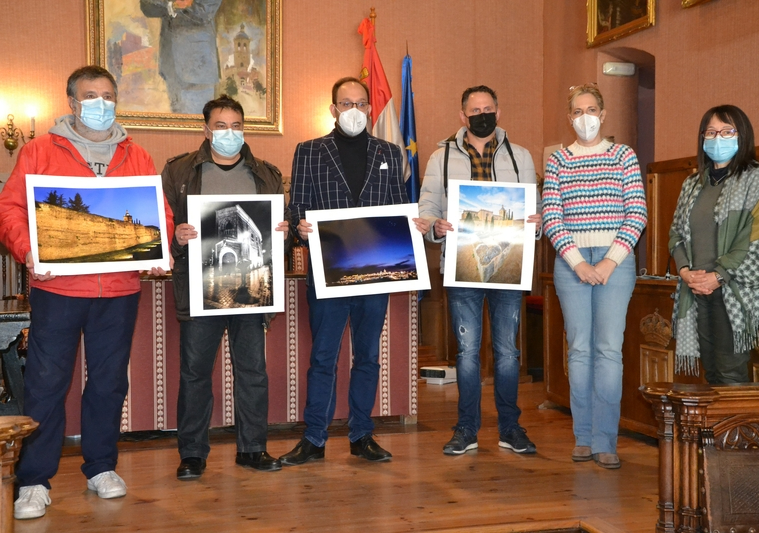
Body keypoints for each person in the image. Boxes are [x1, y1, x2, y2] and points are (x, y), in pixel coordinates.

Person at [0, 65, 174, 520]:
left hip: (118, 290)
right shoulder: (40, 149)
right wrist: (28, 250)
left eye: (109, 95)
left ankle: (101, 467)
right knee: (45, 383)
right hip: (58, 289)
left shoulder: (137, 154)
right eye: (91, 95)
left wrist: (161, 245)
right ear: (73, 103)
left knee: (109, 382)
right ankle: (33, 480)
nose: (101, 103)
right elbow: (11, 209)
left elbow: (160, 213)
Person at [281, 77, 430, 466]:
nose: (354, 110)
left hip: (376, 273)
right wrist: (299, 226)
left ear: (370, 108)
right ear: (333, 109)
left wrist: (411, 226)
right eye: (345, 103)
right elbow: (296, 206)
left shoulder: (389, 152)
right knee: (323, 358)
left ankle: (362, 435)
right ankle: (314, 439)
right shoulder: (309, 151)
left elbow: (397, 207)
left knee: (367, 357)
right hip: (328, 272)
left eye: (360, 103)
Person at [160, 95, 289, 480]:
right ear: (206, 129)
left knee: (253, 372)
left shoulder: (265, 173)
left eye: (236, 126)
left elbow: (278, 232)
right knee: (195, 373)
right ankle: (192, 454)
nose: (229, 133)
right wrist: (175, 236)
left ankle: (253, 448)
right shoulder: (179, 171)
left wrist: (283, 233)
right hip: (199, 289)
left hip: (252, 289)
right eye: (220, 126)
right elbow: (159, 226)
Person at [418, 85, 541, 456]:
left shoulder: (521, 156)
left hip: (510, 270)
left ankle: (510, 428)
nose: (482, 115)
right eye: (475, 110)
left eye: (488, 109)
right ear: (463, 116)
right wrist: (435, 226)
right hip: (459, 268)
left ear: (498, 112)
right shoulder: (440, 157)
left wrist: (536, 223)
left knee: (508, 353)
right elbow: (427, 208)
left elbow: (534, 210)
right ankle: (466, 429)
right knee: (467, 353)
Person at [541, 83, 647, 470]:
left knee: (608, 351)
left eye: (590, 110)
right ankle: (583, 437)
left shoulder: (623, 155)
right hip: (572, 264)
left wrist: (608, 262)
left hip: (614, 262)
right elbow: (552, 216)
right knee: (580, 350)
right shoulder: (558, 160)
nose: (584, 117)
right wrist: (578, 263)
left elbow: (637, 213)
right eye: (576, 111)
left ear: (602, 115)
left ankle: (605, 440)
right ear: (569, 117)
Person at [669, 105, 759, 385]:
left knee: (731, 375)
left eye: (727, 131)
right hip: (695, 291)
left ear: (742, 135)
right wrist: (685, 271)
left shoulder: (755, 178)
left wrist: (719, 275)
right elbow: (676, 234)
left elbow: (757, 238)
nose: (718, 138)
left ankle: (734, 418)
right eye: (711, 132)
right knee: (711, 373)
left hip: (734, 289)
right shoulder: (692, 184)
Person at [139, 0, 222, 114]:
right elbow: (147, 6)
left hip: (198, 67)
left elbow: (204, 11)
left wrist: (170, 7)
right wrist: (172, 5)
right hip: (170, 65)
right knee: (178, 120)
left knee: (197, 121)